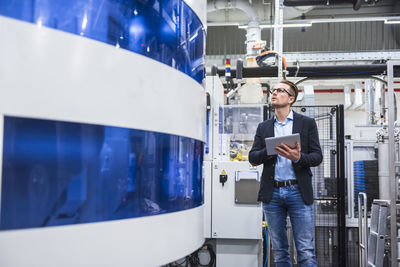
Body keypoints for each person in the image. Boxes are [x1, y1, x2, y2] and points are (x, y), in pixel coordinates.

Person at [249, 80, 323, 267]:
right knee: (279, 251)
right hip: (272, 194)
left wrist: (298, 158)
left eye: (280, 91)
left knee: (305, 250)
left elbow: (317, 157)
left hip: (298, 191)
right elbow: (252, 157)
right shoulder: (264, 127)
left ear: (291, 98)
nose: (274, 93)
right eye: (273, 90)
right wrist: (271, 149)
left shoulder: (306, 123)